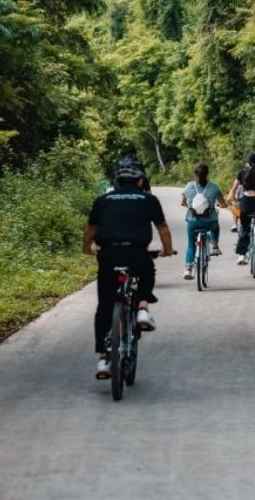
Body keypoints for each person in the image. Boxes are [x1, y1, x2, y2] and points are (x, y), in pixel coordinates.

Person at [83, 155, 174, 379]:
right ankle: (142, 308)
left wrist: (88, 249)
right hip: (136, 253)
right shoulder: (148, 200)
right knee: (147, 273)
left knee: (104, 305)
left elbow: (89, 230)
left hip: (109, 255)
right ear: (140, 181)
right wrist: (167, 250)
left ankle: (104, 359)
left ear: (116, 181)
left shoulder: (103, 201)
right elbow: (163, 229)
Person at [179, 163, 227, 279]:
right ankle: (214, 245)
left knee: (191, 245)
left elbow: (183, 202)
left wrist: (191, 207)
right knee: (215, 226)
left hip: (193, 222)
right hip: (209, 222)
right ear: (207, 173)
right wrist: (221, 205)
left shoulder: (189, 187)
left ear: (195, 174)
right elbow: (223, 203)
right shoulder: (214, 187)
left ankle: (188, 269)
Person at [228, 152, 255, 264]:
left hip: (245, 203)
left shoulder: (241, 173)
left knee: (244, 228)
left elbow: (233, 189)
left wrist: (233, 199)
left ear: (247, 163)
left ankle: (242, 256)